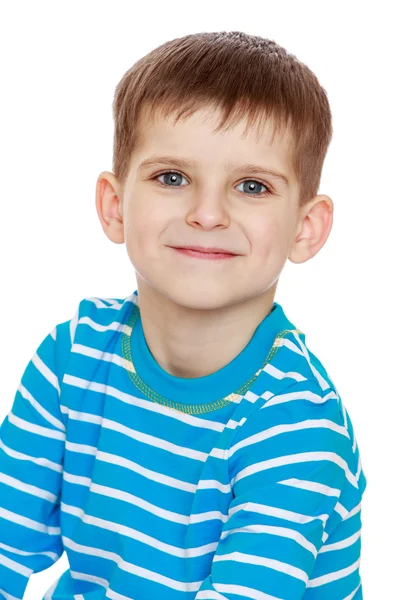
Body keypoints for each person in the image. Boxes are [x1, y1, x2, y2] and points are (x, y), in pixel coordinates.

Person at [0, 30, 367, 600]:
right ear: (115, 205)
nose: (207, 212)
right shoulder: (70, 358)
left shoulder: (297, 426)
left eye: (252, 185)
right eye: (172, 178)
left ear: (305, 227)